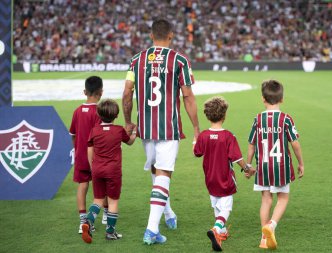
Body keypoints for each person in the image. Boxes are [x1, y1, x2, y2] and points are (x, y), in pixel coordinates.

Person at [122, 19, 200, 245]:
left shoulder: (136, 60)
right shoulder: (180, 60)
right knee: (164, 174)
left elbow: (127, 93)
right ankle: (151, 229)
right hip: (168, 126)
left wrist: (128, 122)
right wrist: (195, 128)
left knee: (157, 172)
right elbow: (188, 96)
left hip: (145, 128)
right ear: (171, 35)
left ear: (151, 36)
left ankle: (168, 213)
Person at [246, 79, 304, 250]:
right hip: (281, 167)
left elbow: (251, 144)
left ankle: (264, 238)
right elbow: (295, 143)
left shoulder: (257, 119)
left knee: (266, 200)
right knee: (283, 198)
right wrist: (301, 163)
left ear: (263, 99)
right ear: (282, 99)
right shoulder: (286, 119)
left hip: (263, 166)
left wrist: (248, 166)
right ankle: (271, 225)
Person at [193, 96, 254, 252]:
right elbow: (237, 158)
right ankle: (216, 229)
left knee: (217, 205)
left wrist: (196, 140)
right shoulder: (228, 136)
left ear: (207, 115)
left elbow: (197, 153)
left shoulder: (204, 135)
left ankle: (222, 233)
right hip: (225, 178)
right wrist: (247, 169)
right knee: (226, 207)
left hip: (210, 178)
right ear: (224, 115)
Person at [81, 99, 137, 243]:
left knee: (98, 200)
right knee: (113, 202)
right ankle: (110, 232)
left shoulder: (94, 130)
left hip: (97, 169)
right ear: (116, 115)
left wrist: (92, 167)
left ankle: (88, 222)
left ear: (98, 115)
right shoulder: (118, 130)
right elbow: (129, 142)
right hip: (113, 171)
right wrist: (135, 132)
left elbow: (89, 149)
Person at [69, 76, 109, 234]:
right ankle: (106, 214)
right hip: (97, 156)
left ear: (85, 92)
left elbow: (72, 133)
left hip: (80, 155)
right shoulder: (100, 112)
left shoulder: (77, 111)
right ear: (101, 92)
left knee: (83, 185)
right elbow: (102, 136)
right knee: (102, 185)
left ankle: (82, 221)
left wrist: (78, 149)